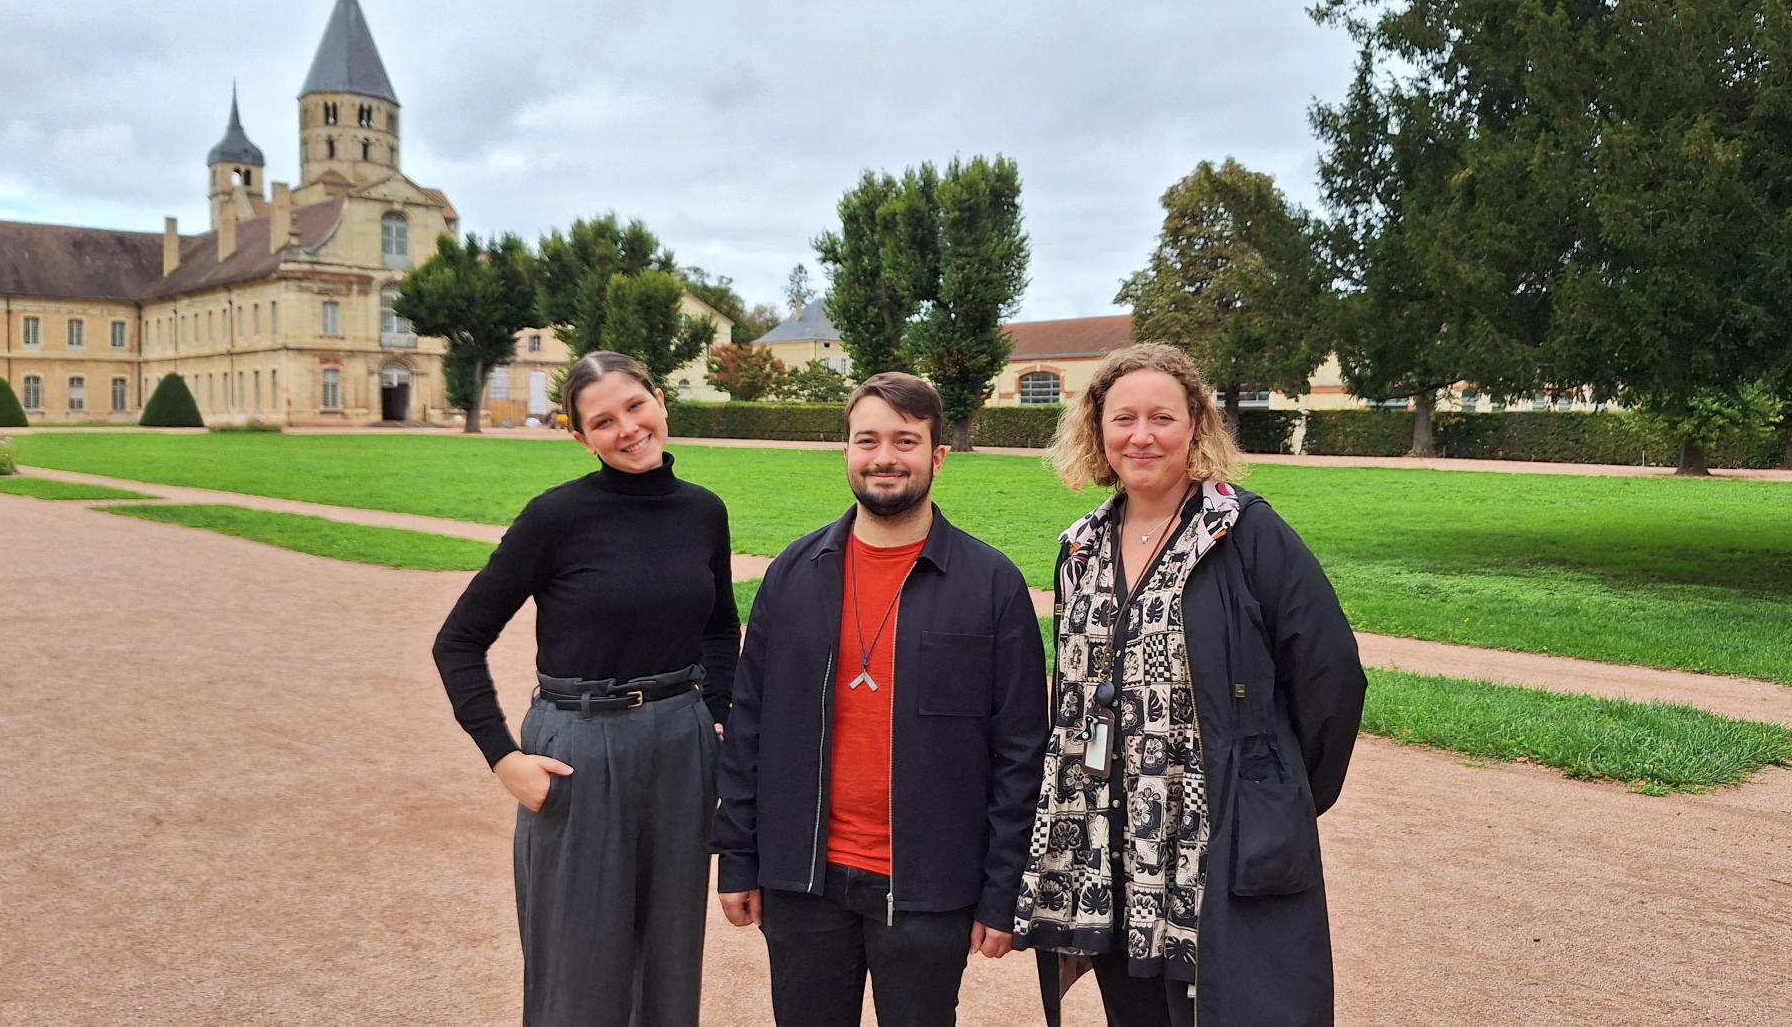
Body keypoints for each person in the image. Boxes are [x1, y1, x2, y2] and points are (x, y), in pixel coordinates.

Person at [1013, 343, 1366, 1027]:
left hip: (1210, 831)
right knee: (1135, 1008)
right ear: (1097, 430)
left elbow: (1331, 673)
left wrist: (1279, 788)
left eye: (1161, 418)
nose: (1141, 436)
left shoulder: (1244, 532)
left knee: (1228, 1006)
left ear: (1196, 427)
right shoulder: (1080, 547)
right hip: (1108, 836)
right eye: (1123, 419)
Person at [713, 372, 1048, 1027]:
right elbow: (748, 724)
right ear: (846, 451)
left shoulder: (992, 585)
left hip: (931, 888)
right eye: (867, 439)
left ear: (937, 456)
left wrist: (1001, 890)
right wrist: (737, 856)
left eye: (906, 439)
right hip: (801, 879)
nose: (885, 456)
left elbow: (1020, 753)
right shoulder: (792, 574)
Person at [431, 351, 738, 1027]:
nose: (627, 429)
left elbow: (719, 629)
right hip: (579, 745)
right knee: (578, 961)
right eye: (603, 421)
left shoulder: (702, 512)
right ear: (580, 436)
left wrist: (716, 716)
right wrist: (502, 757)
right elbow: (457, 641)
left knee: (670, 955)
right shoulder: (556, 518)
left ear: (660, 400)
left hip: (681, 745)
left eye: (635, 406)